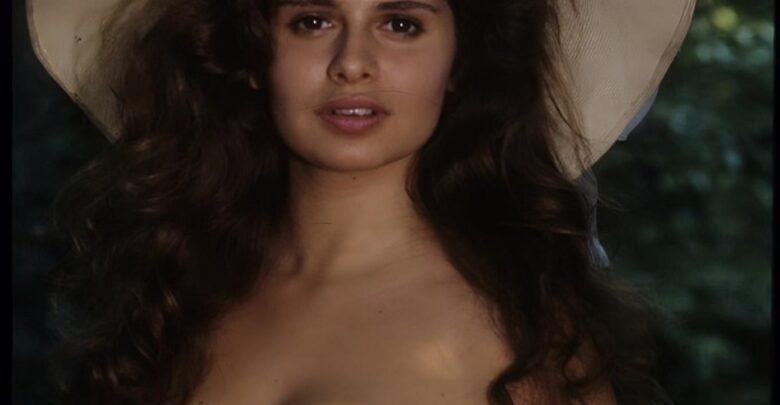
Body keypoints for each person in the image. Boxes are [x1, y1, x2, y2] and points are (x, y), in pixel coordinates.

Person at [28, 0, 694, 404]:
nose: (352, 61)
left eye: (400, 22)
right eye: (312, 20)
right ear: (249, 55)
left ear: (460, 62)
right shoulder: (174, 297)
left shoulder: (522, 332)